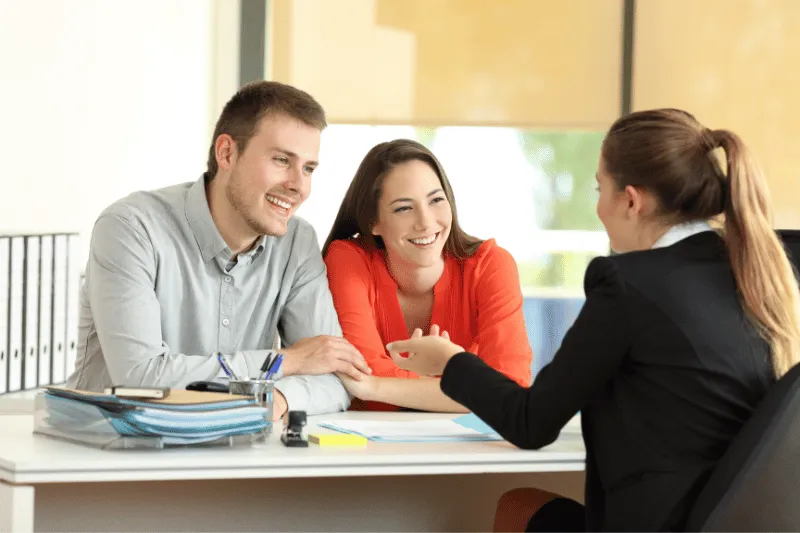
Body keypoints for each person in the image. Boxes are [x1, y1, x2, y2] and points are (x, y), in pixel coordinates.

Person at [384, 109, 800, 531]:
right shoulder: (751, 273)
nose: (598, 207)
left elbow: (531, 423)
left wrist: (448, 362)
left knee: (516, 508)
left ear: (632, 201)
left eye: (600, 188)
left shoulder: (630, 284)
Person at [67, 81, 372, 420]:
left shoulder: (296, 243)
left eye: (308, 168)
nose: (298, 186)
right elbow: (141, 378)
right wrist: (283, 362)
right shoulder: (131, 227)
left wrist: (278, 400)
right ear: (226, 153)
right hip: (110, 454)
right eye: (281, 160)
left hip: (229, 454)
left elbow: (335, 377)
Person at [322, 139, 532, 411]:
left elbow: (510, 390)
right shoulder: (348, 259)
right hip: (368, 449)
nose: (426, 222)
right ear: (373, 221)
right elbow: (363, 376)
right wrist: (460, 381)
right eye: (404, 208)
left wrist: (376, 386)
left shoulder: (490, 265)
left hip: (464, 448)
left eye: (436, 200)